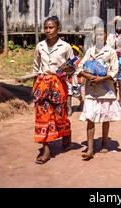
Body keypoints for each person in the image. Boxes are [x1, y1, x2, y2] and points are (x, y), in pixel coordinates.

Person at [76, 26, 121, 160]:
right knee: (90, 118)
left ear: (105, 37)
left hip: (106, 91)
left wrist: (101, 79)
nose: (99, 37)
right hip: (91, 90)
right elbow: (79, 68)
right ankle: (90, 149)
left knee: (105, 117)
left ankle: (104, 142)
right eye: (96, 35)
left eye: (101, 35)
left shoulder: (111, 52)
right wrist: (88, 76)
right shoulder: (89, 52)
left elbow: (115, 71)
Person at [32, 16, 74, 164]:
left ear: (58, 29)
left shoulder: (66, 47)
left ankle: (66, 136)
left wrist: (65, 69)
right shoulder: (40, 46)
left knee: (59, 115)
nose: (48, 30)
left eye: (51, 27)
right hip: (42, 85)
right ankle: (46, 149)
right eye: (46, 28)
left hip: (58, 85)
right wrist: (35, 86)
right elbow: (36, 67)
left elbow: (73, 68)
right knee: (42, 116)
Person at [66, 45, 85, 116]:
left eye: (74, 50)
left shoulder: (80, 60)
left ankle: (81, 101)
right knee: (69, 93)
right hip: (70, 79)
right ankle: (69, 109)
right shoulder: (69, 60)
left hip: (77, 80)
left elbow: (81, 70)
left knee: (77, 94)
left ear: (77, 52)